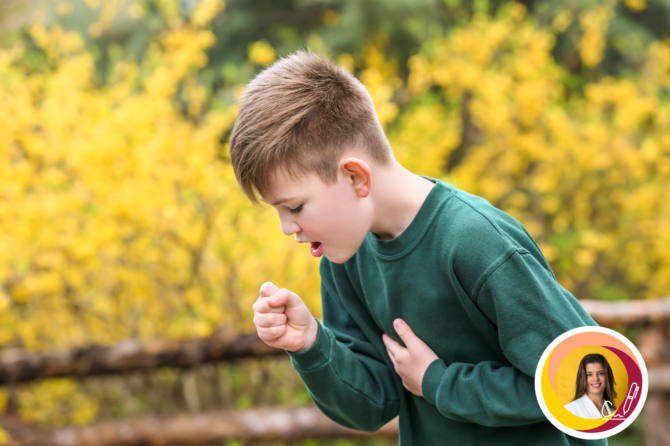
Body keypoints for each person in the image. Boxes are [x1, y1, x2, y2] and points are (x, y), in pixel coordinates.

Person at [229, 49, 608, 445]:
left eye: (294, 207)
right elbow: (374, 404)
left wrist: (441, 383)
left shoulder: (477, 243)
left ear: (356, 177)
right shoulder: (345, 257)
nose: (287, 227)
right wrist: (311, 344)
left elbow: (585, 386)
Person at [564, 354, 618, 419]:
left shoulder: (613, 410)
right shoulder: (570, 410)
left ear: (607, 376)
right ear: (582, 378)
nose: (595, 378)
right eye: (589, 374)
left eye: (600, 373)